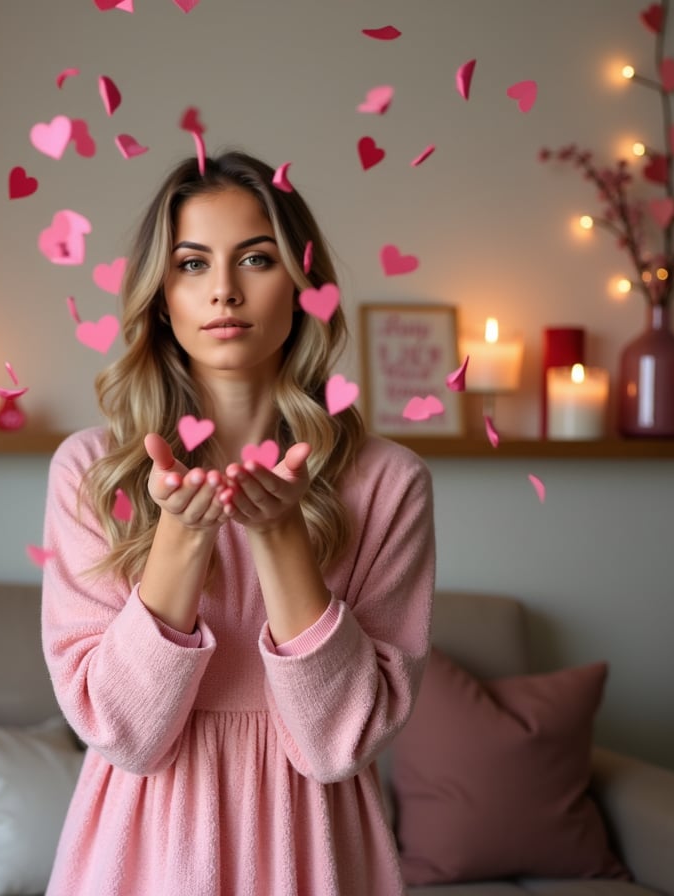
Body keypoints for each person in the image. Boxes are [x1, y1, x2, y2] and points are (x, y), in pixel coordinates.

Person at [41, 149, 436, 895]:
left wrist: (282, 534)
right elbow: (124, 733)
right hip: (139, 855)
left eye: (255, 259)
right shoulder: (92, 472)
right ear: (161, 297)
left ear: (302, 286)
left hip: (315, 854)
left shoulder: (388, 484)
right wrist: (181, 538)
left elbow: (339, 743)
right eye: (192, 265)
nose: (223, 291)